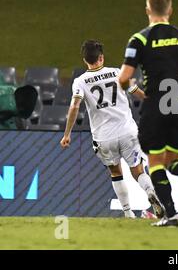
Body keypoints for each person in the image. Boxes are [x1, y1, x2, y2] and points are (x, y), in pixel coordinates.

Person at [118, 0, 178, 227]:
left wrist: (136, 91)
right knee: (173, 160)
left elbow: (124, 77)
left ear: (148, 10)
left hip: (155, 104)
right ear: (170, 11)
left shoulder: (139, 39)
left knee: (156, 163)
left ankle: (170, 214)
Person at [60, 40, 165, 219]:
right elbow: (138, 92)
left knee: (116, 172)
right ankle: (150, 192)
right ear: (101, 57)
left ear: (85, 60)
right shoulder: (117, 73)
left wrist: (67, 134)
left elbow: (74, 107)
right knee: (138, 170)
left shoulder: (80, 81)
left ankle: (127, 212)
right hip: (128, 131)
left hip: (104, 137)